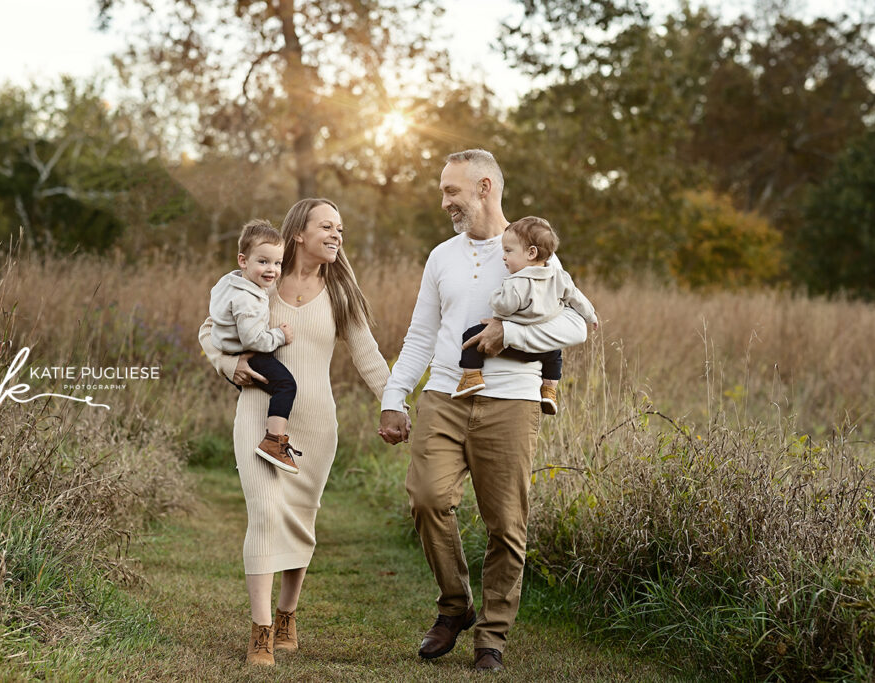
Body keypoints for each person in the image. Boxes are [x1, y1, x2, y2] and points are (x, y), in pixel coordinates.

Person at [378, 149, 589, 672]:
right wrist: (393, 395)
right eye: (443, 190)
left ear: (486, 187)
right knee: (427, 498)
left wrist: (509, 333)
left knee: (506, 525)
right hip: (445, 395)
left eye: (453, 191)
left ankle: (491, 637)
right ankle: (455, 606)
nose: (445, 201)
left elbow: (575, 327)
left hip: (512, 402)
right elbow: (422, 334)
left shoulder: (532, 251)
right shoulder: (441, 256)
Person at [198, 198, 390, 667]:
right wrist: (230, 363)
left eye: (340, 228)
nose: (337, 235)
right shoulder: (263, 277)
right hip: (258, 414)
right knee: (264, 510)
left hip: (317, 422)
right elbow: (210, 330)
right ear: (299, 232)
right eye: (327, 226)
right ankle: (260, 631)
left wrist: (394, 403)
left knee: (301, 517)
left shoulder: (340, 292)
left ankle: (287, 614)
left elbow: (367, 354)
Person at [452, 216, 598, 415]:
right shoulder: (559, 276)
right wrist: (591, 316)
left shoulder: (517, 281)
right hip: (541, 347)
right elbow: (576, 298)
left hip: (512, 342)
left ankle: (472, 378)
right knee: (556, 355)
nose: (503, 257)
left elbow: (505, 307)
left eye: (508, 251)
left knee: (471, 336)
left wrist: (496, 295)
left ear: (531, 253)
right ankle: (549, 389)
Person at [208, 219, 302, 473]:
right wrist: (279, 336)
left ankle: (249, 458)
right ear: (243, 261)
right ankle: (274, 443)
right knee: (285, 385)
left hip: (233, 351)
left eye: (277, 263)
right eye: (263, 262)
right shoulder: (246, 300)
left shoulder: (231, 283)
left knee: (258, 404)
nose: (271, 269)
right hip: (248, 355)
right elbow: (253, 339)